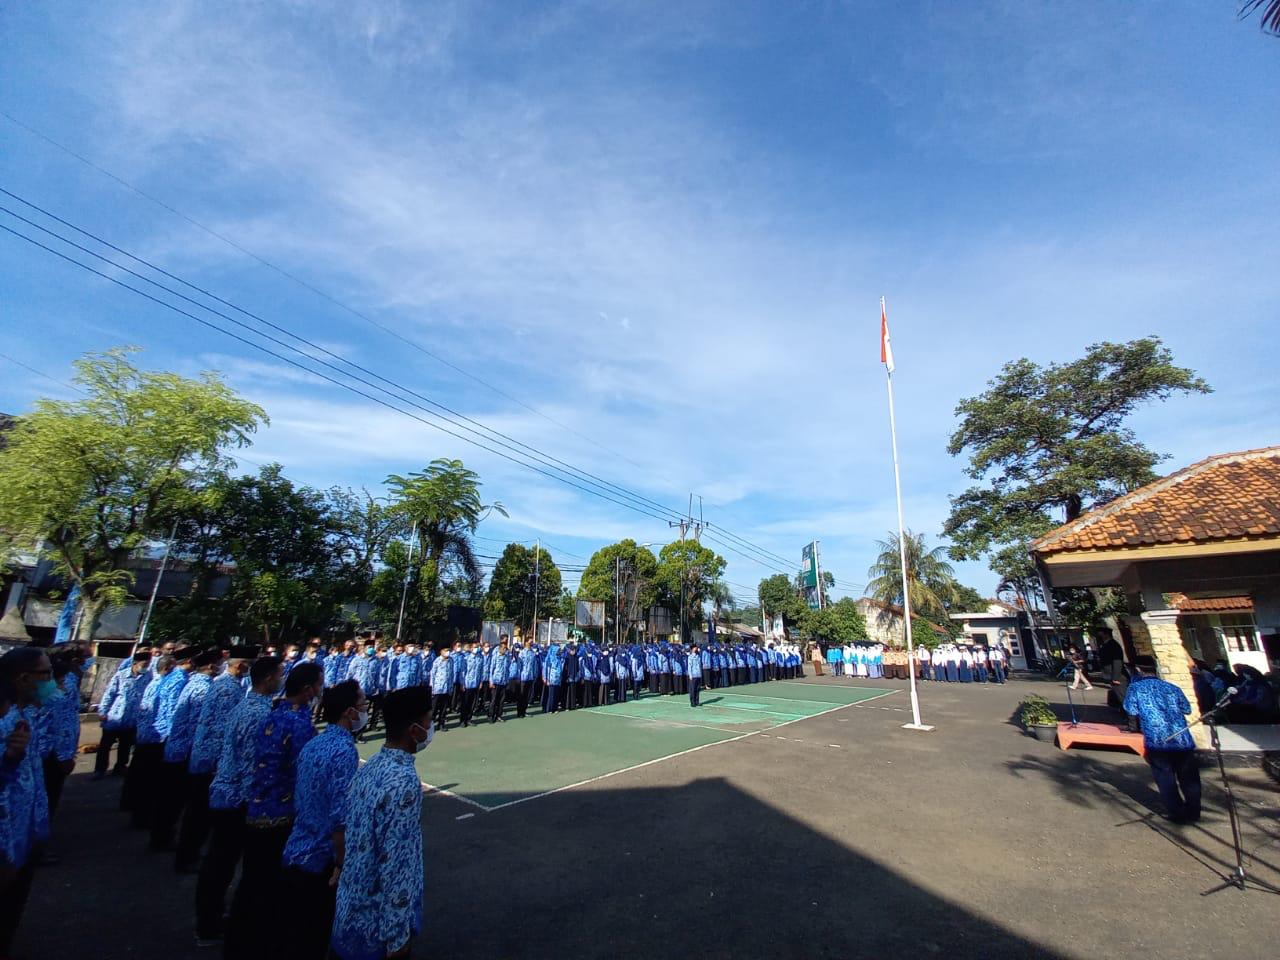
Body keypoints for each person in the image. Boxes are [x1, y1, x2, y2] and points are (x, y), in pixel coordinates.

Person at [224, 661, 323, 960]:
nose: (321, 689)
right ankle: (260, 944)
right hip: (280, 810)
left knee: (254, 881)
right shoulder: (295, 722)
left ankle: (241, 942)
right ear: (307, 689)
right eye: (318, 684)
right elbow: (304, 772)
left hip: (258, 806)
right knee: (271, 885)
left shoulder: (274, 713)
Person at [330, 686, 431, 960]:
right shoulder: (404, 782)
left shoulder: (372, 765)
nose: (429, 727)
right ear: (413, 731)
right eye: (427, 722)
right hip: (376, 922)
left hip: (350, 904)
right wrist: (396, 935)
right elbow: (396, 860)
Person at [196, 656, 282, 948]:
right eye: (279, 674)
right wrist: (258, 803)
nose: (281, 679)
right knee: (228, 865)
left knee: (219, 862)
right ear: (269, 678)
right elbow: (252, 764)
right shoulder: (258, 714)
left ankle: (212, 920)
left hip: (226, 792)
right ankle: (216, 925)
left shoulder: (245, 705)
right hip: (239, 799)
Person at [281, 680, 365, 960]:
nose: (365, 709)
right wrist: (342, 863)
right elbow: (340, 818)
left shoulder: (314, 742)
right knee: (315, 933)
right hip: (321, 856)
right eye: (362, 705)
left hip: (298, 845)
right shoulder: (343, 751)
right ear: (349, 713)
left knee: (297, 931)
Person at [178, 647, 252, 873]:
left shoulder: (220, 684)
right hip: (213, 760)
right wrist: (221, 761)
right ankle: (188, 856)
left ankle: (189, 853)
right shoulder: (228, 689)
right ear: (240, 666)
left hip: (205, 756)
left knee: (198, 812)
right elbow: (223, 728)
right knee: (201, 813)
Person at [0, 648, 54, 957]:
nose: (51, 681)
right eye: (45, 674)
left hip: (22, 840)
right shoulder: (5, 722)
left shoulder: (25, 715)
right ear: (23, 679)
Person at [155, 649, 222, 853]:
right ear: (211, 666)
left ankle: (162, 836)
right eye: (219, 663)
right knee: (178, 801)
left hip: (177, 748)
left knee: (171, 799)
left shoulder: (193, 682)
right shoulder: (203, 688)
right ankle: (166, 838)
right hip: (185, 751)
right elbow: (198, 724)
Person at [1123, 657, 1200, 824]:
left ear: (1138, 670)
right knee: (1189, 777)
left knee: (1165, 778)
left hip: (1157, 740)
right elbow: (1187, 708)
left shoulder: (1135, 688)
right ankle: (1194, 811)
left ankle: (1177, 812)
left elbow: (1131, 709)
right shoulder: (1172, 687)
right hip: (1181, 739)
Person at [95, 650, 152, 779]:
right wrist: (103, 711)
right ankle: (100, 769)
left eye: (147, 665)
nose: (145, 667)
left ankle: (120, 767)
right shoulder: (120, 676)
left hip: (132, 719)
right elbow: (109, 694)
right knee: (105, 745)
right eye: (144, 664)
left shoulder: (148, 677)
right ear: (135, 663)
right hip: (114, 716)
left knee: (125, 746)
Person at [429, 647, 453, 731]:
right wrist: (432, 688)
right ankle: (430, 726)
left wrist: (450, 687)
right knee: (434, 708)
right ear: (441, 652)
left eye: (448, 651)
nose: (447, 653)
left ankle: (441, 724)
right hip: (437, 688)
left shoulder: (450, 661)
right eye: (445, 651)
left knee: (444, 708)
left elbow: (451, 674)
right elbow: (433, 674)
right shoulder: (437, 661)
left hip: (446, 688)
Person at [488, 638, 511, 723]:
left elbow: (508, 669)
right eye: (503, 648)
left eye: (506, 648)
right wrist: (491, 681)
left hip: (503, 681)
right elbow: (491, 669)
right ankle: (491, 716)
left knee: (501, 701)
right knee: (494, 700)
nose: (504, 650)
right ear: (499, 648)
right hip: (496, 681)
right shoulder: (495, 657)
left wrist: (507, 680)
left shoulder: (507, 657)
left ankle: (499, 715)